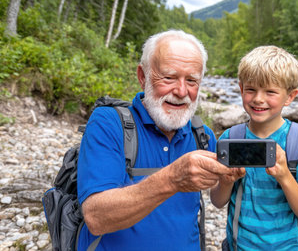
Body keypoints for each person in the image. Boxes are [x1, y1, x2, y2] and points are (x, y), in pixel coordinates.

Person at [76, 30, 232, 250]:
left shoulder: (203, 135)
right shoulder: (108, 123)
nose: (181, 91)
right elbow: (96, 217)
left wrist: (228, 178)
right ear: (143, 77)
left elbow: (216, 197)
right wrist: (172, 178)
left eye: (192, 80)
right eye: (168, 77)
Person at [210, 46, 298, 250]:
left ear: (290, 96)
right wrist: (226, 181)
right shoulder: (231, 138)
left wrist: (284, 176)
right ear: (240, 89)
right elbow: (218, 201)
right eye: (251, 89)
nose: (258, 98)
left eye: (270, 92)